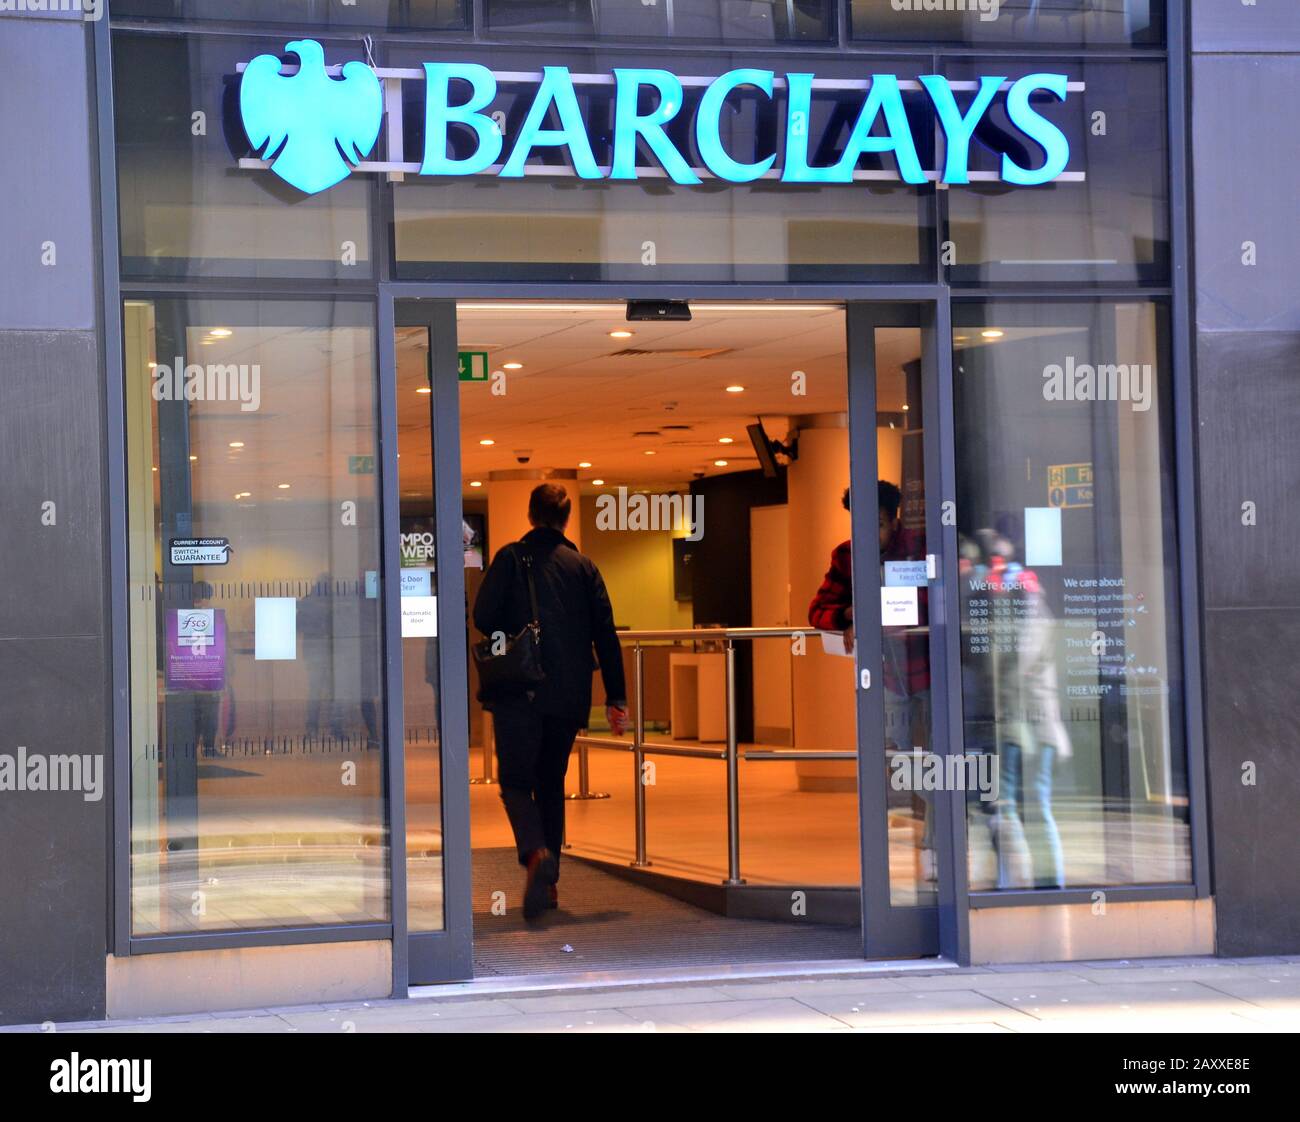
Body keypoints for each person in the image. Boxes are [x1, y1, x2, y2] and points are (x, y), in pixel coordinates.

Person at [473, 483, 629, 920]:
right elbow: (607, 635)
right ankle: (551, 887)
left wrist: (511, 631)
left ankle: (537, 853)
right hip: (569, 695)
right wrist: (616, 697)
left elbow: (483, 618)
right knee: (551, 782)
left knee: (517, 783)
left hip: (519, 691)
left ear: (530, 514)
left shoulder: (510, 558)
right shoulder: (584, 567)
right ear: (565, 519)